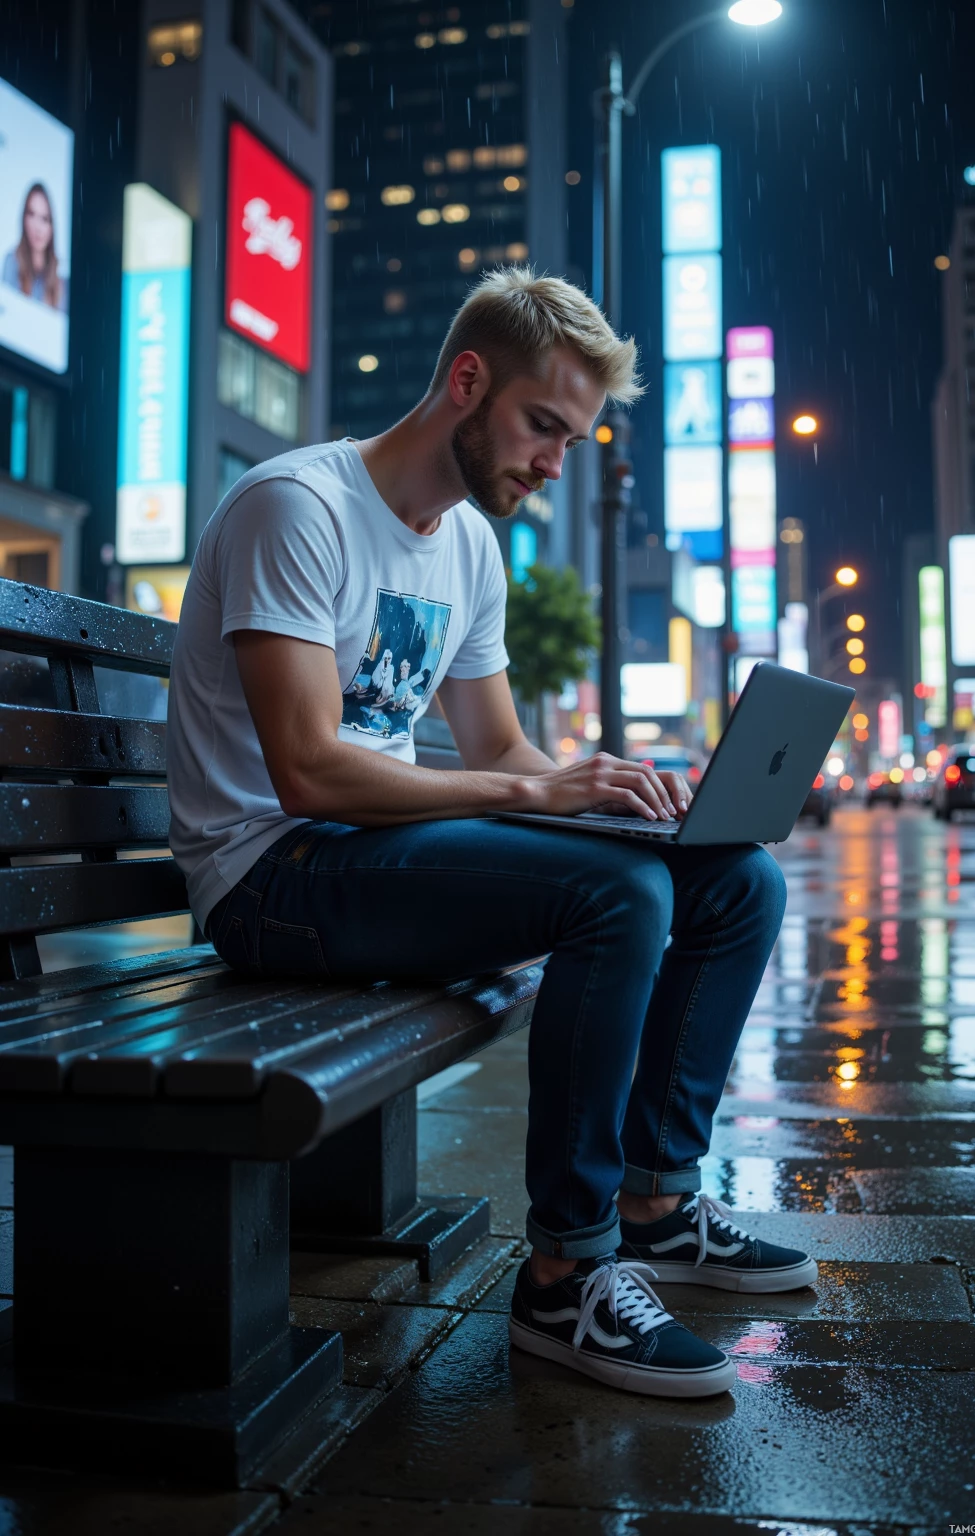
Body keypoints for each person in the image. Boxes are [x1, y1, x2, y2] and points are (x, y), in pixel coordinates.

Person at [167, 266, 807, 1402]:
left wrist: (598, 786)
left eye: (572, 437)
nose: (556, 463)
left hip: (360, 859)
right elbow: (309, 770)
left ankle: (655, 1202)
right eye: (543, 426)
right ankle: (566, 1274)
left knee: (734, 883)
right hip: (270, 877)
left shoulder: (465, 548)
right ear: (467, 382)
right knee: (620, 900)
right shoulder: (297, 508)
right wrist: (530, 800)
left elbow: (500, 748)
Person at [2, 184, 67, 313]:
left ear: (52, 226)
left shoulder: (61, 278)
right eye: (32, 214)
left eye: (44, 218)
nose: (38, 227)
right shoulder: (11, 262)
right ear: (24, 219)